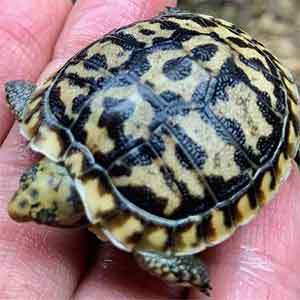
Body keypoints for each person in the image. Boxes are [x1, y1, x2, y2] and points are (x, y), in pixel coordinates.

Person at [0, 0, 299, 299]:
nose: (15, 208)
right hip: (184, 38)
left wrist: (183, 266)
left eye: (47, 215)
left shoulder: (48, 117)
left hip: (255, 87)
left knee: (150, 255)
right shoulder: (52, 117)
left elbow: (18, 91)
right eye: (28, 184)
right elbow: (18, 91)